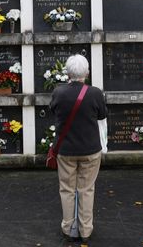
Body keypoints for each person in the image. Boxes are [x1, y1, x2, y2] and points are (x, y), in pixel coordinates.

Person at [50, 54, 107, 246]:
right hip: (90, 150)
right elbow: (102, 115)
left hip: (66, 150)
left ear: (67, 72)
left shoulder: (59, 92)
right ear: (87, 73)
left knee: (67, 189)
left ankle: (68, 229)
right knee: (86, 189)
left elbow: (54, 111)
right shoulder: (95, 93)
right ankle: (85, 230)